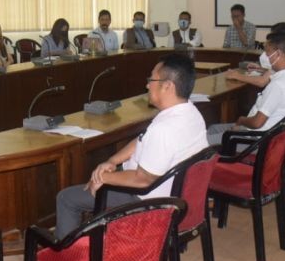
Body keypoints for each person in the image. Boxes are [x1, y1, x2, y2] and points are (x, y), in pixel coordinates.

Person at [55, 54, 207, 239]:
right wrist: (112, 161)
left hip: (146, 200)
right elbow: (142, 139)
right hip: (173, 195)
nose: (147, 85)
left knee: (66, 198)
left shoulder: (165, 129)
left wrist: (104, 178)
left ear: (167, 86)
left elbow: (143, 180)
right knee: (100, 176)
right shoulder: (190, 113)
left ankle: (70, 257)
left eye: (151, 79)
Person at [208, 32, 285, 145]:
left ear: (278, 54)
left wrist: (241, 121)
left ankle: (213, 161)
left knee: (204, 141)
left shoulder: (278, 86)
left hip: (255, 141)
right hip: (270, 136)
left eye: (268, 53)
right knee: (213, 128)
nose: (266, 57)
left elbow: (257, 123)